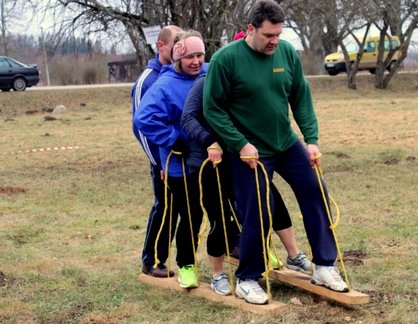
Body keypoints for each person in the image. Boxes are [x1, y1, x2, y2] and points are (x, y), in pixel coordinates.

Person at [203, 0, 349, 305]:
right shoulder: (225, 60)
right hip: (248, 150)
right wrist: (240, 143)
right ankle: (247, 278)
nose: (274, 41)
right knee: (260, 209)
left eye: (279, 34)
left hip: (286, 143)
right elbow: (213, 109)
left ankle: (323, 266)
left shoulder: (285, 53)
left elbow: (301, 97)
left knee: (315, 190)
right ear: (250, 29)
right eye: (269, 35)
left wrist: (311, 139)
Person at [180, 72, 313, 291]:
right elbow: (188, 118)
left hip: (239, 155)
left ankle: (291, 254)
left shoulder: (245, 79)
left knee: (268, 201)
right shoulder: (207, 81)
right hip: (209, 159)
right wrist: (210, 141)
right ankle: (217, 274)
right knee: (220, 216)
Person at [134, 30, 209, 289]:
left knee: (207, 210)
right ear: (178, 58)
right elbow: (143, 119)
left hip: (209, 158)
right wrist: (173, 140)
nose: (196, 61)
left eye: (200, 55)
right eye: (189, 57)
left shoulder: (207, 73)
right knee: (185, 213)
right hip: (177, 163)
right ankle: (176, 263)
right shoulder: (163, 85)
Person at [132, 25, 182, 278]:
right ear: (161, 46)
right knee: (165, 209)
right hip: (162, 162)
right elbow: (141, 128)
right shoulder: (148, 80)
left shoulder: (178, 74)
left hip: (184, 159)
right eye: (175, 43)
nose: (179, 48)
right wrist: (159, 163)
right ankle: (152, 261)